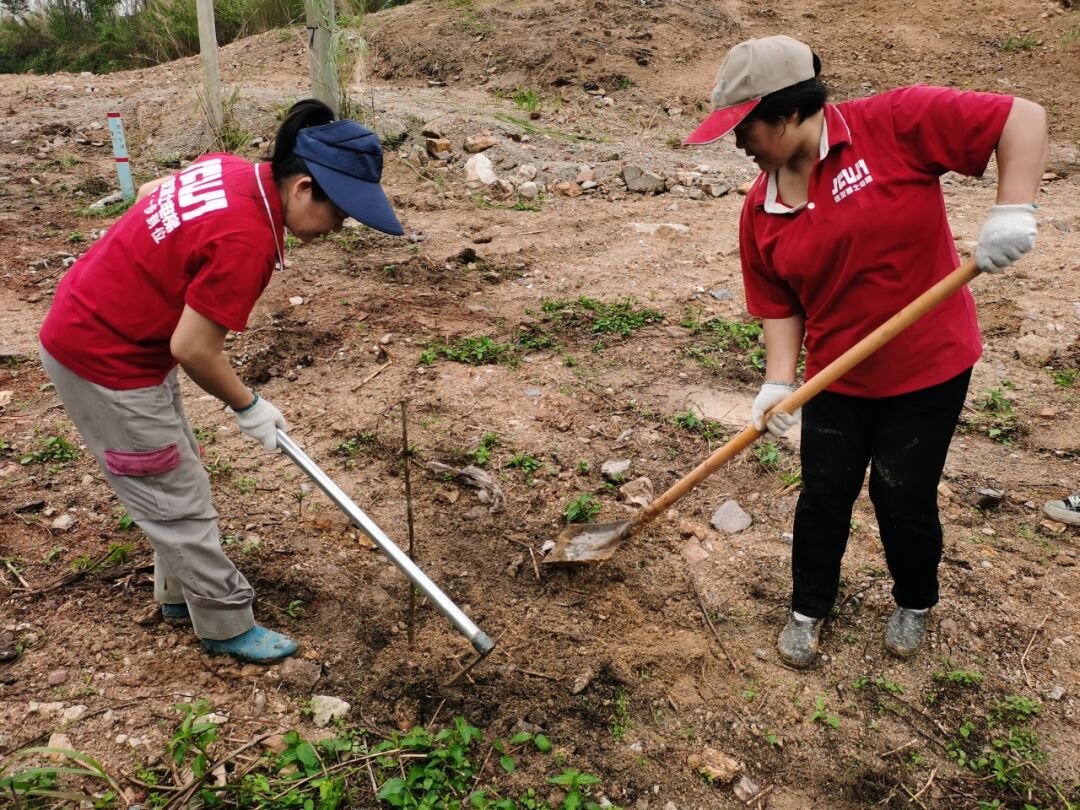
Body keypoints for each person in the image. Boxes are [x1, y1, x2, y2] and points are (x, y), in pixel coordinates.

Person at [685, 36, 1047, 668]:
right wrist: (778, 382)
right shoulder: (760, 207)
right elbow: (778, 303)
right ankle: (808, 608)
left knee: (901, 493)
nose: (735, 142)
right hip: (836, 377)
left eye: (744, 127)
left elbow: (1022, 117)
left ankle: (915, 599)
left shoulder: (894, 125)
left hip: (928, 366)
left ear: (789, 112)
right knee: (824, 493)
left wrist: (1013, 208)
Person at [38, 99, 404, 663]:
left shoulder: (233, 169)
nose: (339, 228)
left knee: (173, 476)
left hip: (113, 333)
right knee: (178, 500)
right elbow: (193, 348)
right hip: (105, 358)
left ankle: (178, 594)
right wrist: (249, 405)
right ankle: (226, 623)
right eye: (341, 213)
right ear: (304, 187)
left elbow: (149, 192)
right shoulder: (247, 239)